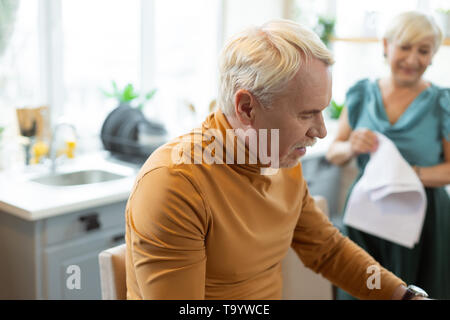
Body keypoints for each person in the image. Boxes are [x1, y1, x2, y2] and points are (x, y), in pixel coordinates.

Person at [125, 19, 428, 300]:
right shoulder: (175, 183)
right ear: (246, 108)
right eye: (307, 114)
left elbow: (329, 251)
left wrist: (403, 295)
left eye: (322, 111)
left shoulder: (278, 159)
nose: (321, 131)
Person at [326, 11, 450, 300]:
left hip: (425, 216)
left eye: (423, 50)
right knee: (361, 289)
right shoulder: (362, 94)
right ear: (385, 45)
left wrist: (407, 176)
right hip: (366, 214)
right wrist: (352, 146)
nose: (413, 59)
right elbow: (335, 152)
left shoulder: (442, 102)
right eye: (405, 47)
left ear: (433, 56)